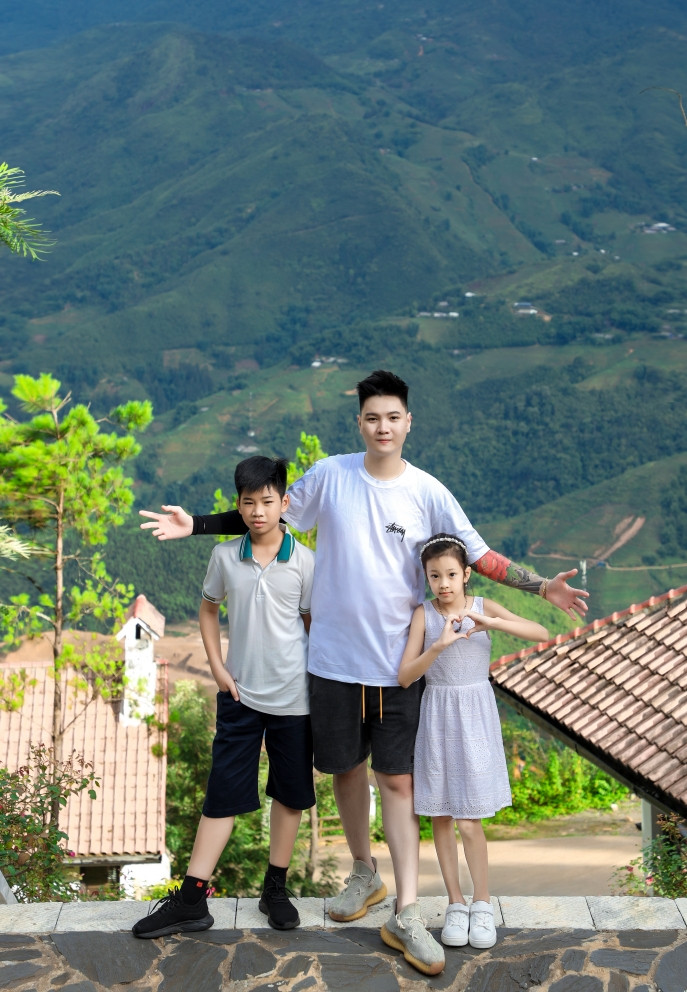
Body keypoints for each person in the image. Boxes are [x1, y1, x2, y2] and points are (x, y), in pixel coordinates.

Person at [139, 370, 587, 974]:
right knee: (345, 771)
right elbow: (267, 513)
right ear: (359, 423)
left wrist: (542, 586)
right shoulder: (331, 476)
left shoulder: (428, 491)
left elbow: (478, 556)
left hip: (401, 664)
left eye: (392, 417)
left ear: (408, 423)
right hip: (332, 662)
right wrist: (195, 525)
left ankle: (407, 910)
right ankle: (363, 874)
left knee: (398, 783)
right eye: (372, 417)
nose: (383, 427)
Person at [132, 456, 315, 939]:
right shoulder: (225, 556)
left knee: (290, 794)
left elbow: (313, 624)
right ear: (238, 504)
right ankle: (192, 900)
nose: (258, 512)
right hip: (239, 694)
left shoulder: (304, 561)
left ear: (284, 503)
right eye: (248, 502)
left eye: (267, 501)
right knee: (222, 794)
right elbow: (209, 610)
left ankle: (275, 889)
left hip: (294, 699)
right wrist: (216, 666)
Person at [398, 533, 549, 951]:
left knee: (469, 819)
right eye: (434, 576)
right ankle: (456, 902)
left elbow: (538, 631)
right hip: (437, 716)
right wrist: (438, 646)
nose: (443, 583)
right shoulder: (424, 615)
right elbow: (405, 676)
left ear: (466, 574)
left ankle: (482, 902)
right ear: (426, 577)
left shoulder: (483, 607)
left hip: (476, 718)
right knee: (441, 816)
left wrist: (493, 623)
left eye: (451, 574)